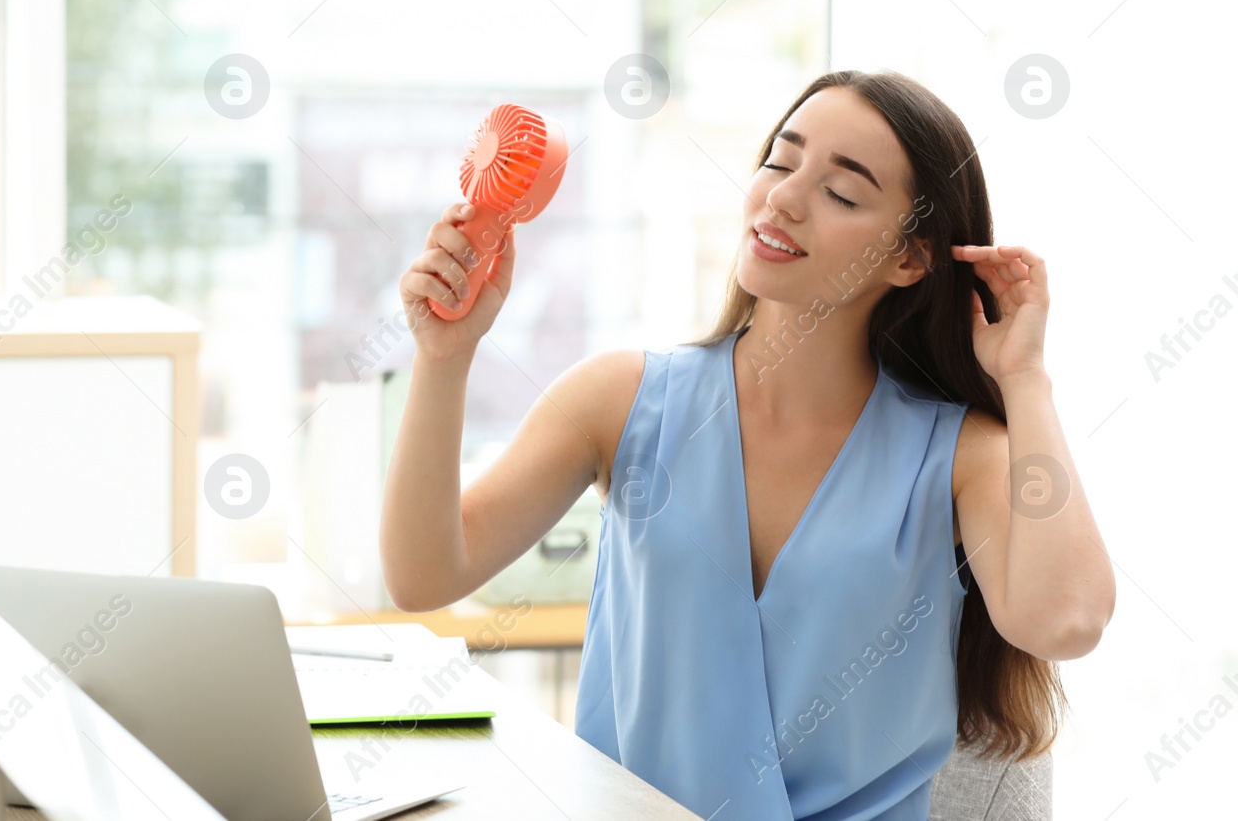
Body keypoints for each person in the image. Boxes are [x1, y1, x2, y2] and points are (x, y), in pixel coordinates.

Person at [379, 69, 1115, 820]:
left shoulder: (958, 455)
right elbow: (425, 574)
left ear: (910, 258)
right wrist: (445, 359)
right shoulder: (621, 400)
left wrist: (1025, 380)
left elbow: (1068, 619)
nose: (785, 199)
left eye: (842, 192)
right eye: (780, 161)